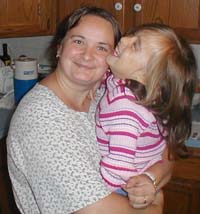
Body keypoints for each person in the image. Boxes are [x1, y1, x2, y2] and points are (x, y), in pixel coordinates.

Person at [7, 7, 172, 214]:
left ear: (113, 58)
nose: (87, 55)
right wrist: (156, 204)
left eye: (102, 48)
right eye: (78, 41)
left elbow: (165, 153)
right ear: (59, 47)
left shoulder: (111, 93)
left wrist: (151, 180)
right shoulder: (41, 119)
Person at [96, 23, 197, 197]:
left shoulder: (124, 109)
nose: (124, 39)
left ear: (146, 76)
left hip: (121, 187)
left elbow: (118, 167)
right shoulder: (138, 89)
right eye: (131, 35)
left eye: (135, 46)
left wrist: (96, 195)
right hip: (146, 170)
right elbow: (113, 78)